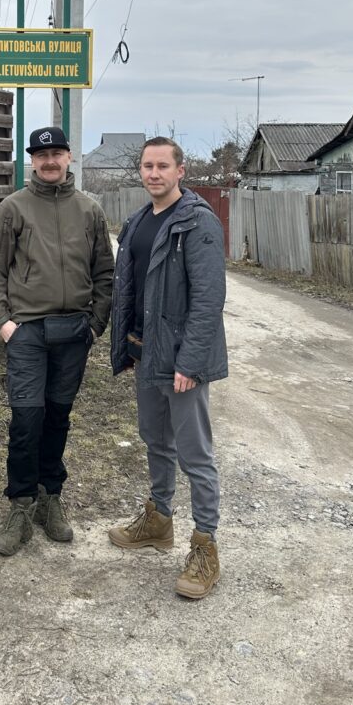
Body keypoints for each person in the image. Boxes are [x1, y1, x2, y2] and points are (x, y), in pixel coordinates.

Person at [0, 126, 114, 556]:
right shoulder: (12, 208)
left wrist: (95, 325)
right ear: (33, 161)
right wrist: (4, 323)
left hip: (73, 333)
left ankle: (49, 497)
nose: (50, 161)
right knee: (26, 419)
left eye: (57, 153)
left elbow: (105, 273)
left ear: (69, 156)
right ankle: (20, 505)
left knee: (58, 417)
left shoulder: (90, 210)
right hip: (27, 332)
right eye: (42, 155)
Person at [108, 136, 228, 599]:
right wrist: (126, 348)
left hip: (181, 361)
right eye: (147, 166)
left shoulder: (197, 221)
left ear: (181, 171)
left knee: (195, 454)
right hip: (147, 353)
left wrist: (191, 362)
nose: (154, 173)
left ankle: (206, 546)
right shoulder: (139, 220)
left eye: (162, 166)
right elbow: (130, 290)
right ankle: (158, 521)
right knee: (155, 440)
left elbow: (208, 299)